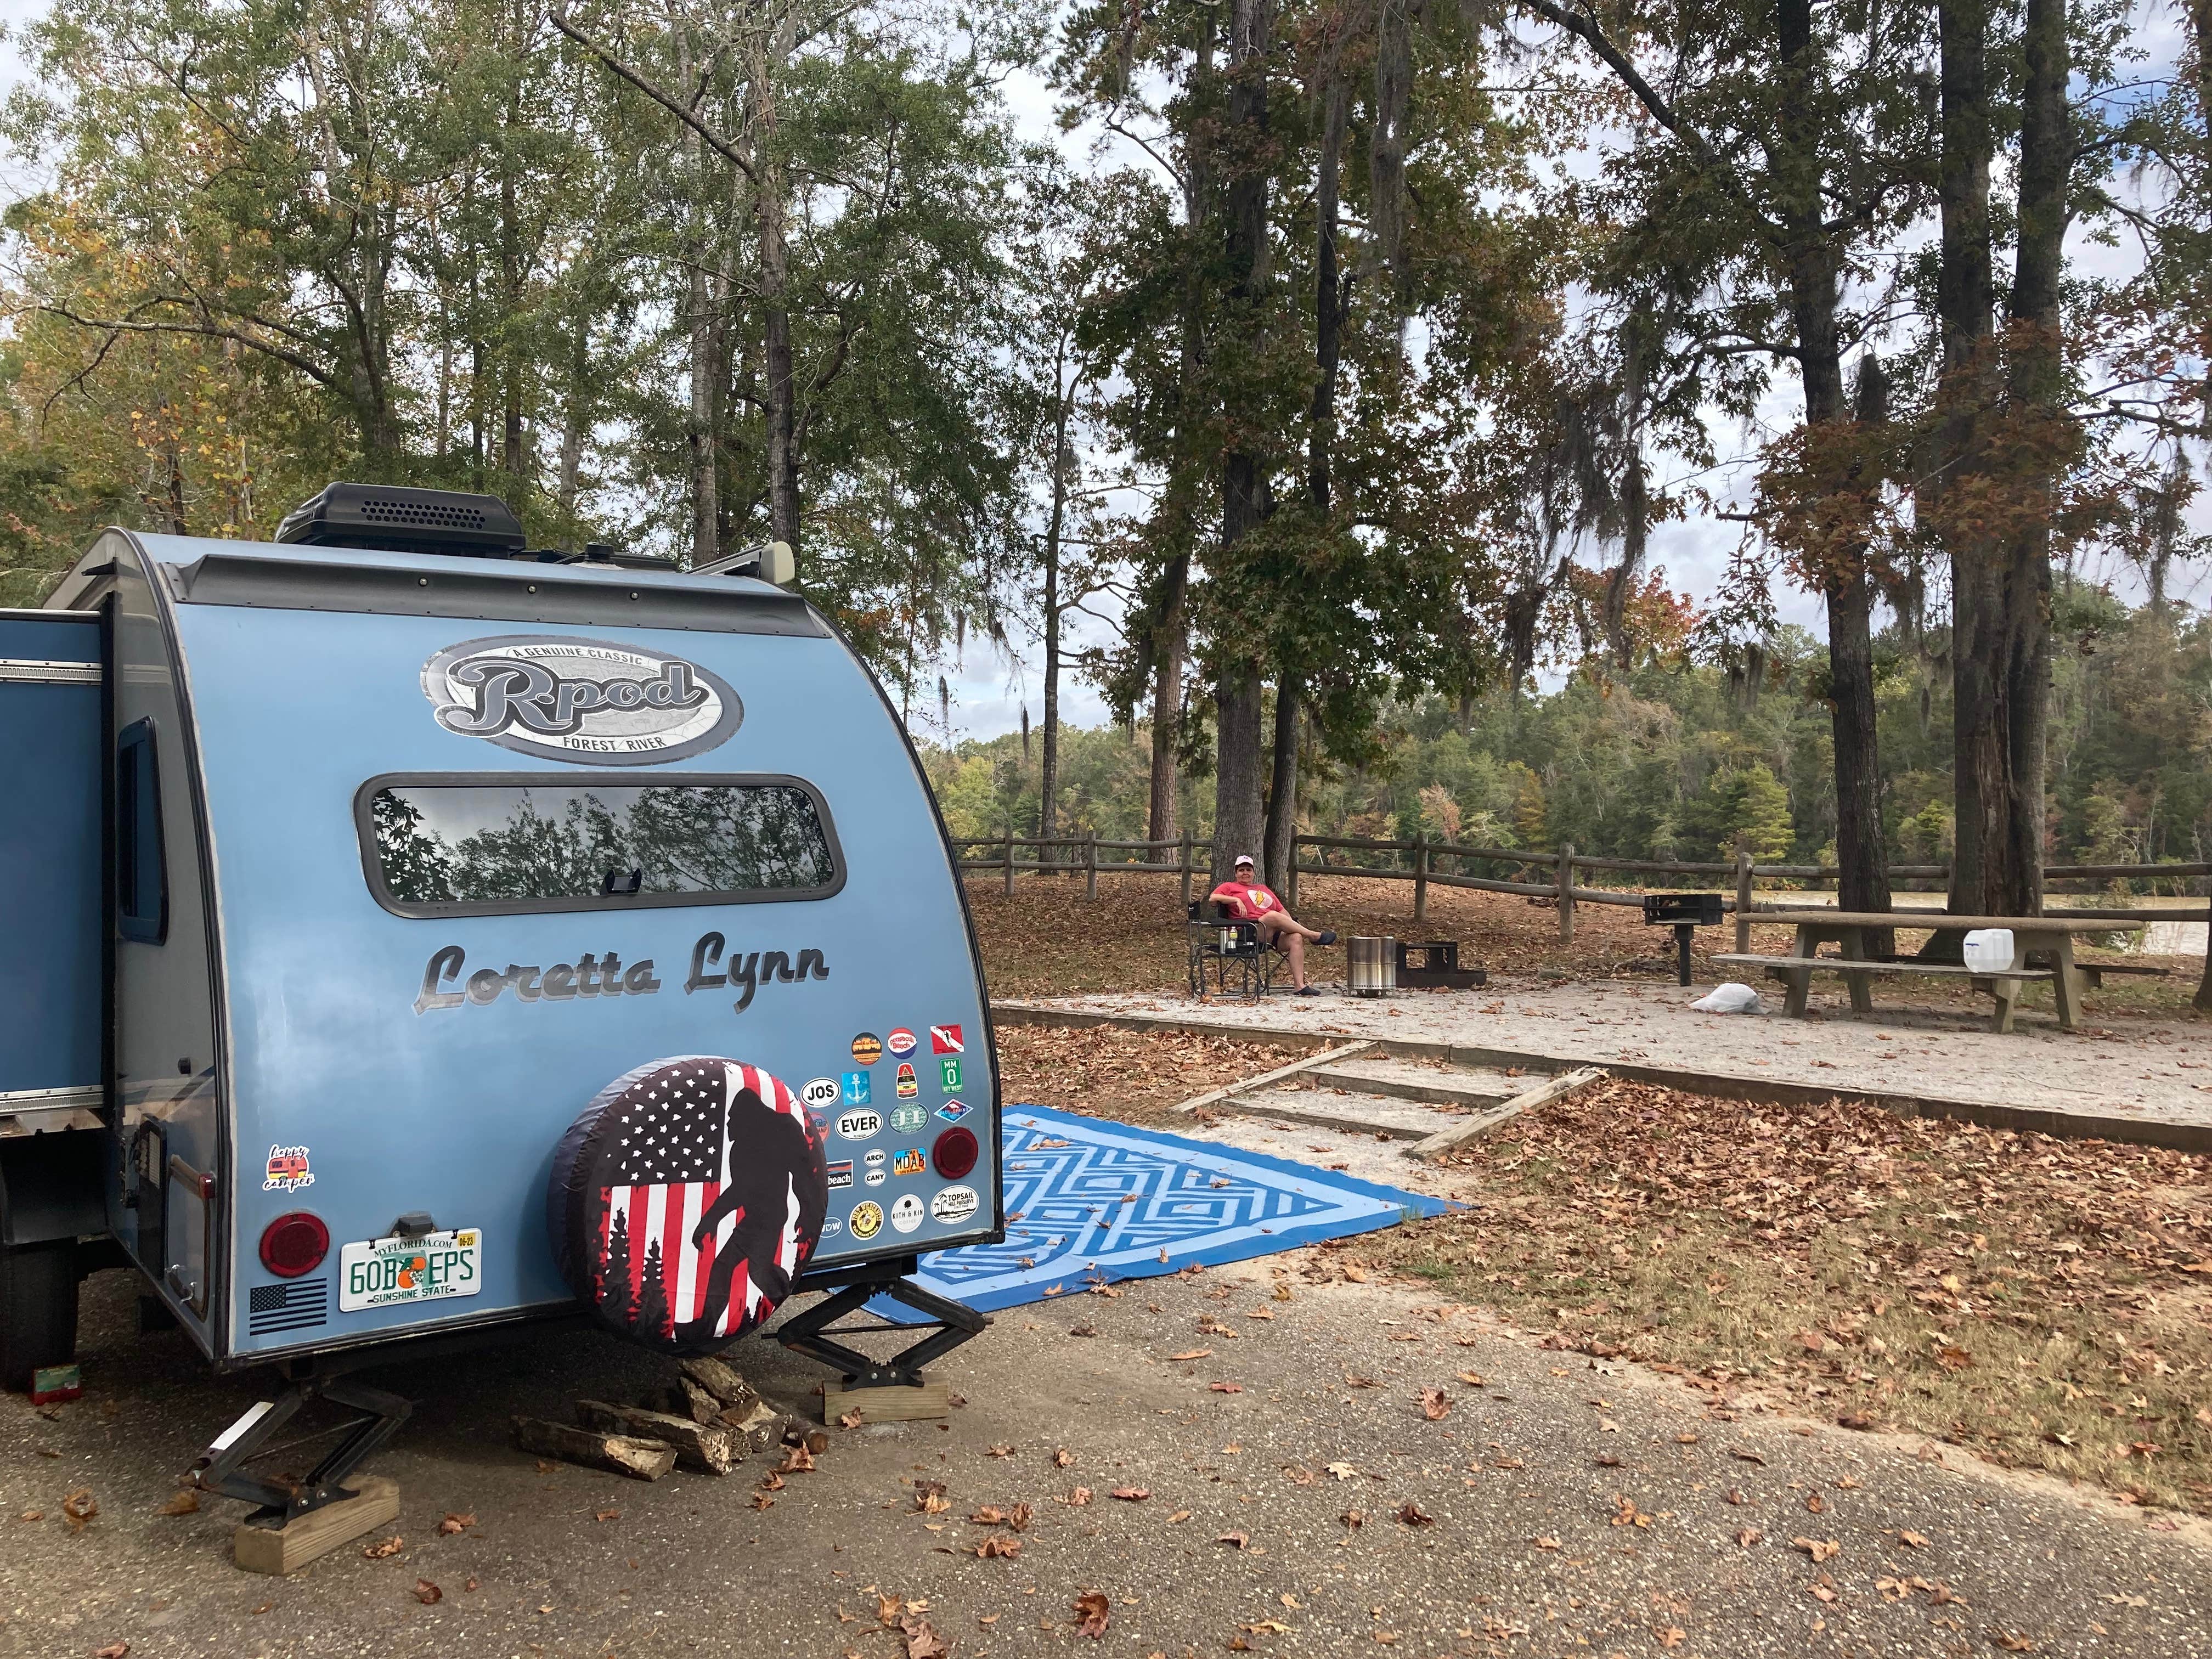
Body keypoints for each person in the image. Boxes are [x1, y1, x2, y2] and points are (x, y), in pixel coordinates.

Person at [1208, 854, 1338, 995]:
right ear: (1236, 873)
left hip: (1271, 933)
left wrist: (1292, 926)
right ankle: (1314, 936)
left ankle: (1300, 986)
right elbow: (1213, 899)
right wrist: (1236, 900)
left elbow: (1282, 911)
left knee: (1296, 937)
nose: (1245, 873)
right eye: (1241, 870)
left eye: (1248, 870)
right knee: (1272, 916)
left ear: (1253, 873)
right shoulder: (1229, 886)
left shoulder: (1263, 889)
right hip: (1248, 932)